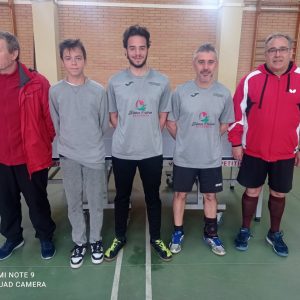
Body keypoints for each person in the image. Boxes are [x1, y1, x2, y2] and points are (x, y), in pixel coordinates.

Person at [228, 33, 300, 257]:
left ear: (290, 52)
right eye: (272, 50)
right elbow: (236, 113)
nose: (277, 54)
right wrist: (236, 142)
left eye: (282, 49)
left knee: (279, 193)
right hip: (254, 150)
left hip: (285, 151)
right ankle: (245, 229)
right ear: (265, 53)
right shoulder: (251, 79)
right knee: (252, 190)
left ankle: (274, 233)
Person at [105, 25, 172, 262]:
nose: (137, 52)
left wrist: (148, 133)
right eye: (132, 48)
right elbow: (113, 117)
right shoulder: (114, 82)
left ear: (147, 49)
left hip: (151, 151)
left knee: (153, 197)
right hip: (122, 151)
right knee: (122, 197)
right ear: (125, 50)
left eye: (141, 48)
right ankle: (119, 237)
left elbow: (163, 116)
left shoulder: (163, 81)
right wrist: (128, 133)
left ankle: (156, 238)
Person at [167, 43, 234, 256]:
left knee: (210, 197)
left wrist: (208, 139)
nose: (206, 67)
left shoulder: (223, 93)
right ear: (194, 64)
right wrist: (186, 140)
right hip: (184, 157)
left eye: (210, 62)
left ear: (215, 64)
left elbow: (225, 124)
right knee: (179, 195)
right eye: (201, 61)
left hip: (210, 159)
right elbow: (171, 122)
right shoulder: (181, 92)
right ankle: (178, 232)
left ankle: (211, 233)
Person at [49, 39, 108, 268]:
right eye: (68, 58)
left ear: (84, 60)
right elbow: (57, 123)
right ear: (62, 61)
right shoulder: (55, 92)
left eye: (78, 58)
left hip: (93, 156)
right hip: (69, 156)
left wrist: (89, 142)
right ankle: (79, 242)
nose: (74, 63)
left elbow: (103, 124)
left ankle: (95, 241)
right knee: (74, 202)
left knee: (95, 201)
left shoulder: (97, 91)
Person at [0, 31, 56, 260]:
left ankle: (45, 236)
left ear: (14, 54)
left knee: (37, 201)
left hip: (30, 157)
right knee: (6, 203)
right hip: (2, 157)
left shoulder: (37, 82)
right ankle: (13, 237)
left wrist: (41, 145)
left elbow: (50, 120)